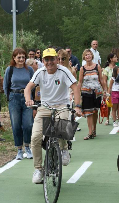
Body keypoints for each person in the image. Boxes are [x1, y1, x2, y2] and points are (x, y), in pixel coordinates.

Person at [24, 48, 82, 184]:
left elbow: (75, 87)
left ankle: (64, 149)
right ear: (43, 61)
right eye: (46, 59)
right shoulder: (40, 72)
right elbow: (28, 88)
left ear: (56, 59)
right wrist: (28, 99)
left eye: (52, 59)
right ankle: (38, 169)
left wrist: (78, 106)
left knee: (62, 124)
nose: (49, 62)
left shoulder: (63, 71)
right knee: (35, 137)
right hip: (44, 107)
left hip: (62, 105)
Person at [3, 48, 34, 160]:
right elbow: (6, 85)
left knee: (28, 124)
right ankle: (19, 149)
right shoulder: (10, 70)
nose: (21, 59)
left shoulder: (29, 70)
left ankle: (27, 146)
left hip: (27, 99)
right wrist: (9, 98)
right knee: (16, 124)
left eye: (23, 57)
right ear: (14, 58)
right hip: (14, 97)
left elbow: (33, 84)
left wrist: (33, 99)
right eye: (19, 57)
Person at [79, 49, 107, 139]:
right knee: (88, 112)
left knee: (95, 111)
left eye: (89, 54)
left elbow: (102, 80)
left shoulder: (97, 66)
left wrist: (105, 91)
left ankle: (94, 129)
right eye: (86, 55)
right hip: (86, 92)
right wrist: (77, 93)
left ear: (92, 56)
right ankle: (90, 132)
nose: (88, 56)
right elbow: (80, 82)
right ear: (84, 57)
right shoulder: (82, 69)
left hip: (97, 92)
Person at [102, 53, 118, 125]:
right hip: (109, 88)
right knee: (108, 104)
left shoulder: (118, 68)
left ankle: (115, 116)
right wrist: (106, 90)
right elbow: (104, 80)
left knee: (116, 104)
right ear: (111, 59)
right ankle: (107, 119)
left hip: (117, 88)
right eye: (115, 57)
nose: (116, 58)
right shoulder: (106, 69)